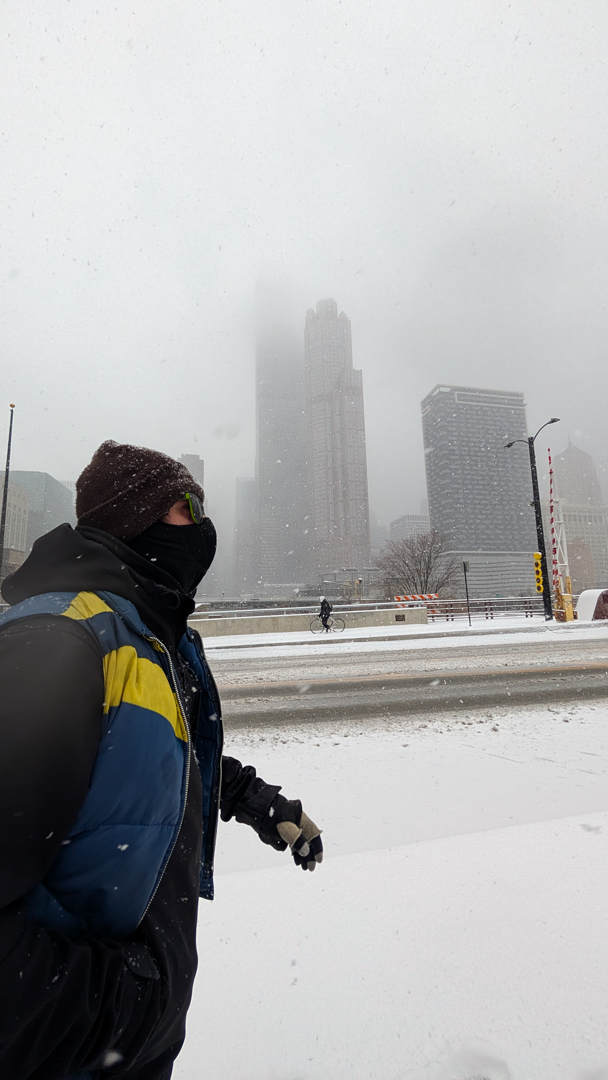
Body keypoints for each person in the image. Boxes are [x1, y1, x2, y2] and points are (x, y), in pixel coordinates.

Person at [0, 440, 323, 1080]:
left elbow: (163, 759)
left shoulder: (151, 639)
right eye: (187, 508)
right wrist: (115, 1006)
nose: (202, 527)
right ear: (135, 517)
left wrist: (263, 806)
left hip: (129, 1051)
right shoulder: (60, 639)